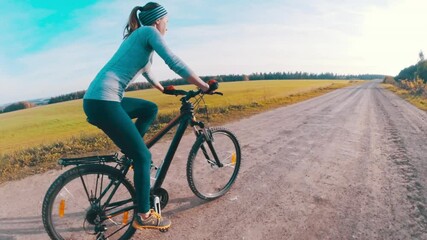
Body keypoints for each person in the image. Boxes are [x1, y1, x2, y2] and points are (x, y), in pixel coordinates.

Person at [83, 2, 215, 231]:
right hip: (105, 101)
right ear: (157, 21)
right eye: (167, 22)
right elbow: (173, 61)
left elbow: (147, 71)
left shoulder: (137, 37)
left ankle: (131, 153)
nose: (167, 27)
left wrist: (164, 90)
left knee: (149, 109)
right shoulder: (149, 32)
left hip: (98, 100)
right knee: (143, 157)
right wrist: (203, 85)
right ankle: (143, 215)